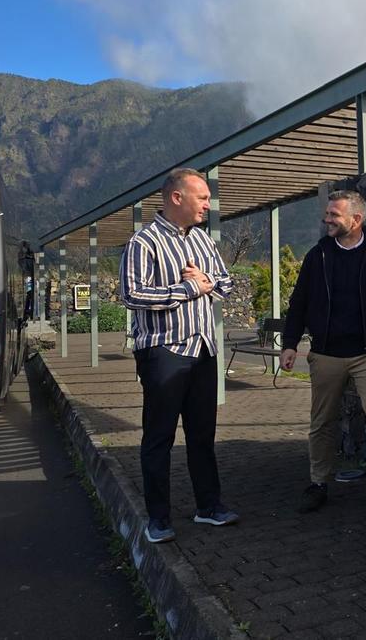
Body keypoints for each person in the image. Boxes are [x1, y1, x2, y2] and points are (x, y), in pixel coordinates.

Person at [120, 167, 238, 544]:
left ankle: (209, 507)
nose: (207, 205)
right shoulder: (144, 242)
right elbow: (132, 294)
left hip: (203, 350)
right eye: (202, 197)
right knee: (159, 437)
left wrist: (205, 282)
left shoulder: (203, 240)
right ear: (176, 197)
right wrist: (188, 289)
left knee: (203, 434)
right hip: (164, 352)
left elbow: (225, 284)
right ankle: (158, 519)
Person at [280, 189, 366, 524]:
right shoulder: (318, 256)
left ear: (356, 219)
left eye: (334, 215)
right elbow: (299, 302)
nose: (327, 220)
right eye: (327, 214)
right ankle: (318, 484)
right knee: (322, 422)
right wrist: (290, 343)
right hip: (326, 354)